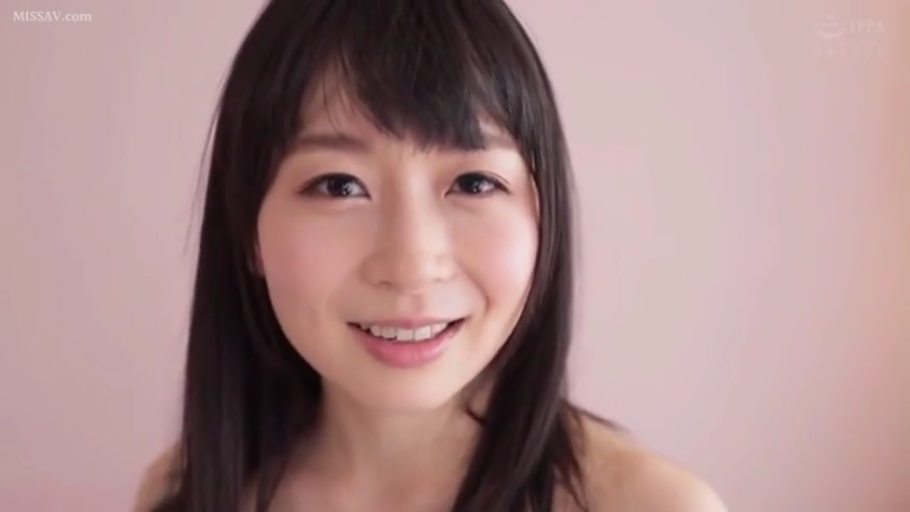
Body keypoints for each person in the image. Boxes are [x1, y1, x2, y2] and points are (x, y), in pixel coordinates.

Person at [135, 1, 727, 511]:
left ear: (543, 217)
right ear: (247, 230)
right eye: (339, 186)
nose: (410, 265)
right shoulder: (185, 491)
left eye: (473, 183)